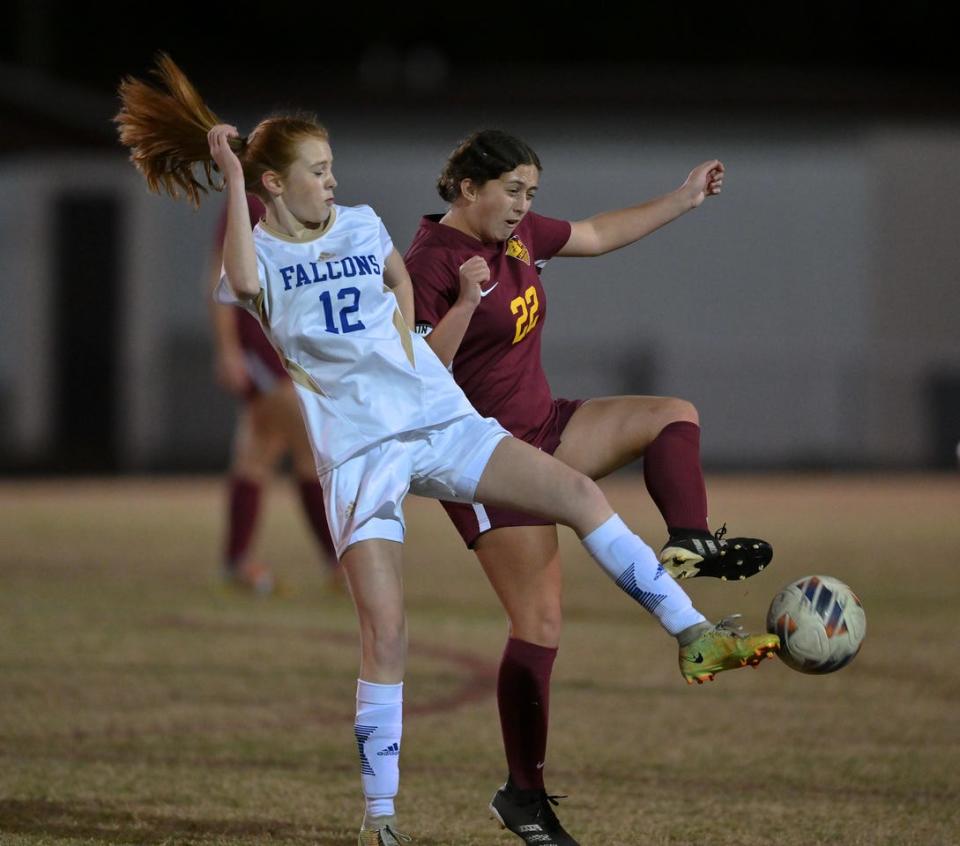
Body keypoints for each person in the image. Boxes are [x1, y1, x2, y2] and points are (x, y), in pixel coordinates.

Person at [115, 56, 779, 846]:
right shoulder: (261, 259)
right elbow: (242, 273)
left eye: (332, 168)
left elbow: (399, 287)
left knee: (580, 496)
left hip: (439, 418)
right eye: (318, 172)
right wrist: (229, 173)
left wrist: (416, 335)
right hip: (362, 451)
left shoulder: (362, 221)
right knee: (386, 633)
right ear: (271, 188)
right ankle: (381, 821)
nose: (332, 181)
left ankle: (692, 631)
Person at [404, 129, 775, 845]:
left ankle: (691, 543)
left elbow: (598, 233)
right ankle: (525, 795)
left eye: (531, 194)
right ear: (466, 188)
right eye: (511, 191)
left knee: (672, 416)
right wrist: (461, 305)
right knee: (539, 626)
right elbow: (417, 381)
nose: (523, 207)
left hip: (546, 425)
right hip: (485, 458)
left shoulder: (514, 239)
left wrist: (684, 198)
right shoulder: (430, 262)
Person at [206, 193, 339, 593]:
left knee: (261, 452)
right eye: (318, 164)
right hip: (262, 350)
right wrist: (229, 349)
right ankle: (340, 565)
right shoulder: (250, 203)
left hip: (294, 351)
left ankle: (237, 563)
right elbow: (220, 275)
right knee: (310, 448)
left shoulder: (312, 204)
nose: (327, 175)